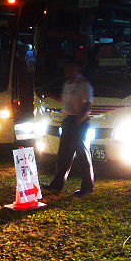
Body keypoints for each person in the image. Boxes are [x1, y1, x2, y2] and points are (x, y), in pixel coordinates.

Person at [44, 58, 94, 196]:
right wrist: (50, 95)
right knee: (64, 154)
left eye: (71, 69)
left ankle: (87, 186)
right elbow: (65, 101)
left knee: (82, 154)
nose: (68, 71)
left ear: (78, 69)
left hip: (79, 122)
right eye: (66, 69)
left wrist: (79, 121)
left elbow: (87, 105)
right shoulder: (67, 84)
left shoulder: (84, 84)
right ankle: (57, 184)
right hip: (68, 121)